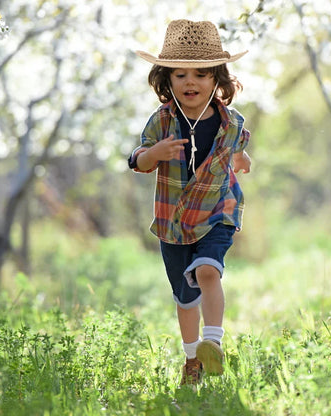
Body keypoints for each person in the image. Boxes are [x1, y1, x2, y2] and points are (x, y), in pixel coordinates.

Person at [128, 19, 251, 385]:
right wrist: (156, 153)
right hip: (174, 220)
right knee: (184, 296)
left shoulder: (231, 122)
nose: (190, 82)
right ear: (166, 81)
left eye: (200, 74)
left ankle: (213, 343)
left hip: (218, 211)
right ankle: (192, 358)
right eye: (179, 75)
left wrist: (243, 160)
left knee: (207, 271)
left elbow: (239, 146)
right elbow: (136, 159)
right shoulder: (162, 121)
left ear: (217, 79)